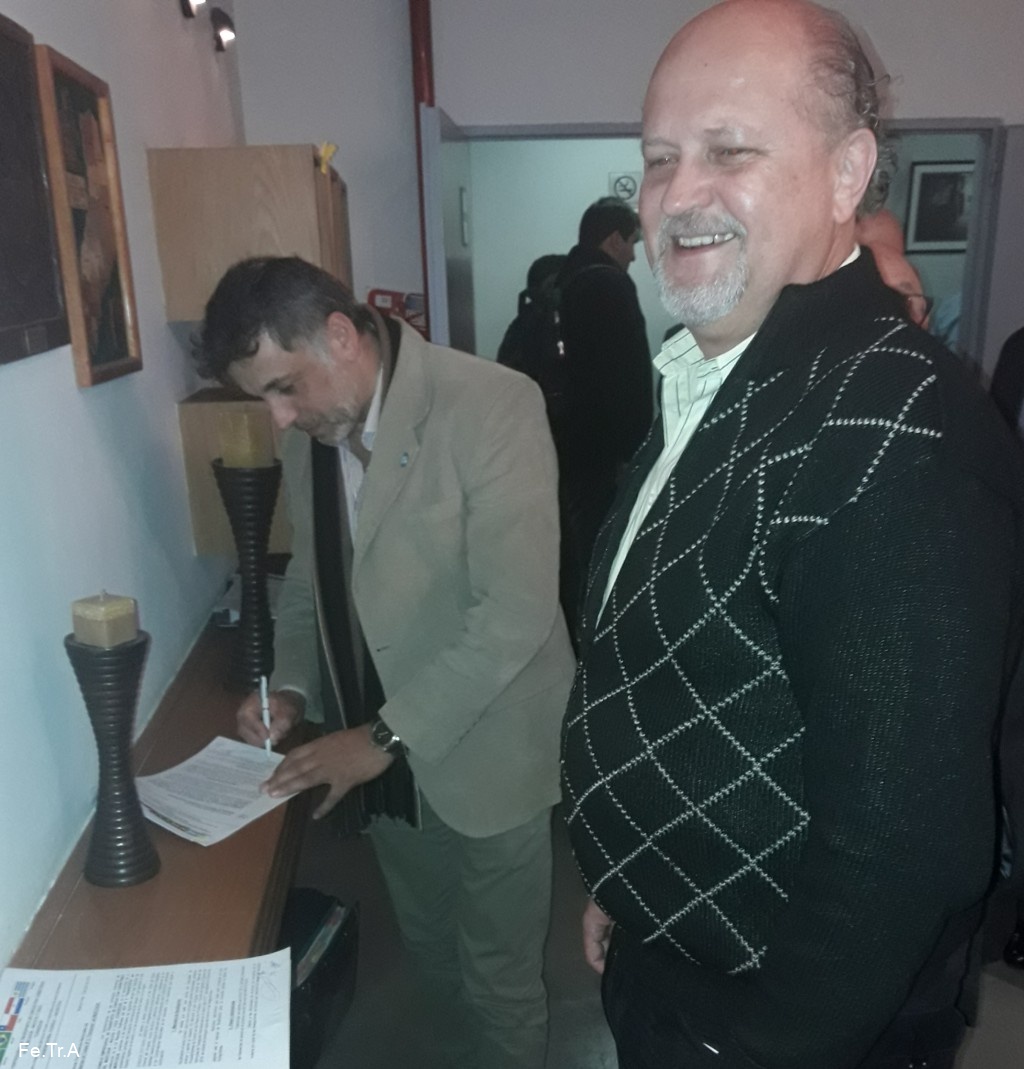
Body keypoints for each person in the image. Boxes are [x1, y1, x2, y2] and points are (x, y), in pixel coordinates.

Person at [560, 3, 1024, 1068]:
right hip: (670, 954)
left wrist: (759, 1044)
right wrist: (631, 882)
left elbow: (904, 847)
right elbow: (697, 675)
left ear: (846, 172)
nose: (679, 194)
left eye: (730, 151)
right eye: (659, 158)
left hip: (775, 1024)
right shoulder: (719, 374)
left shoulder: (892, 431)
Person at [194, 256, 576, 1069]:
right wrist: (291, 686)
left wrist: (380, 737)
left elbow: (515, 615)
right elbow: (311, 582)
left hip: (490, 749)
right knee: (431, 949)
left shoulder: (493, 404)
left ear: (340, 335)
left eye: (284, 387)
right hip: (382, 763)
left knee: (500, 979)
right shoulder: (311, 433)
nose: (279, 417)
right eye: (264, 397)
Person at [554, 196, 654, 640]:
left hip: (566, 441)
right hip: (601, 449)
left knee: (575, 544)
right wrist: (635, 450)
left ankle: (578, 631)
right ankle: (599, 636)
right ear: (614, 240)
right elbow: (623, 378)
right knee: (603, 545)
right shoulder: (609, 286)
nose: (633, 255)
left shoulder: (562, 280)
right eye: (631, 243)